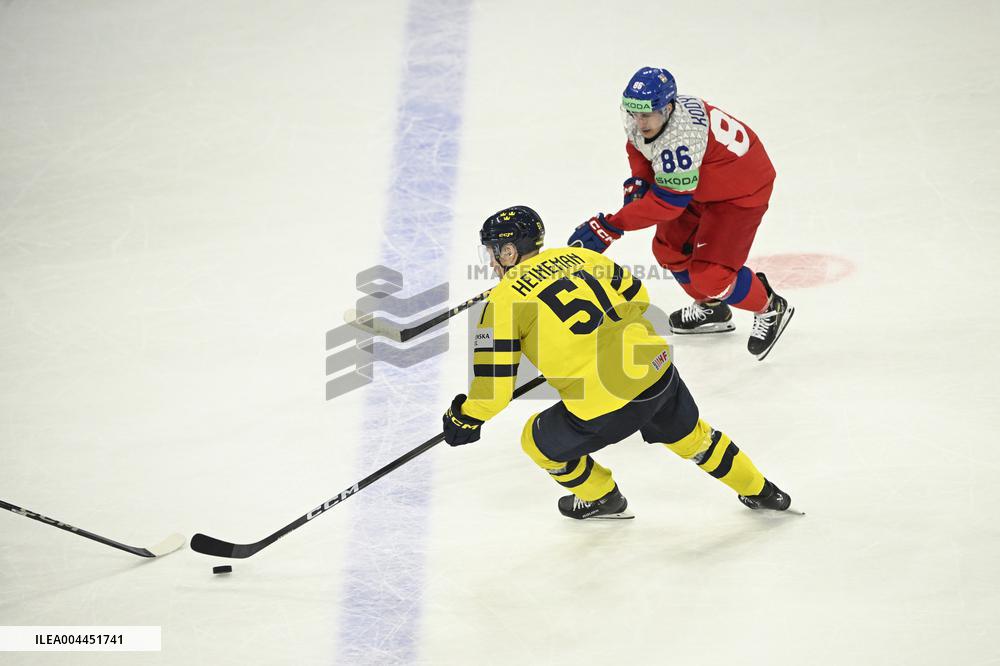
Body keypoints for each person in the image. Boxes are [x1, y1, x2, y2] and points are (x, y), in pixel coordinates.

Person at [443, 205, 793, 519]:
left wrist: (465, 418)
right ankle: (763, 490)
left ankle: (602, 498)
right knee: (694, 438)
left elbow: (493, 390)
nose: (491, 262)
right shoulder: (580, 257)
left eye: (493, 252)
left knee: (536, 443)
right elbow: (638, 298)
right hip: (656, 371)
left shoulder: (502, 302)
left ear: (508, 250)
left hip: (604, 404)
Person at [567, 66, 794, 361]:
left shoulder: (681, 139)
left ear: (669, 108)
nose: (638, 121)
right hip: (701, 184)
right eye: (633, 112)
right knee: (669, 250)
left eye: (646, 114)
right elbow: (639, 150)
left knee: (713, 276)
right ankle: (711, 308)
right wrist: (640, 180)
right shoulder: (652, 118)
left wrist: (612, 226)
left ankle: (770, 307)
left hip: (740, 194)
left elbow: (668, 204)